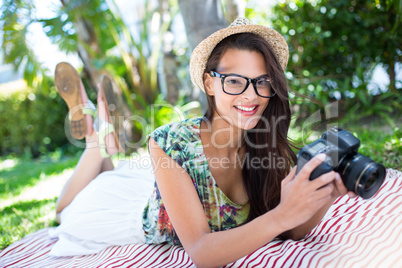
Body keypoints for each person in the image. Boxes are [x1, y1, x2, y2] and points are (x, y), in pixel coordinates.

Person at [51, 18, 356, 267]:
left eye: (262, 82)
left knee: (109, 172)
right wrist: (281, 215)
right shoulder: (169, 142)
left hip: (158, 189)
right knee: (64, 211)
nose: (251, 96)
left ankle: (104, 138)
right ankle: (96, 138)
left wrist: (323, 196)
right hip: (123, 214)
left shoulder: (268, 144)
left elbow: (292, 228)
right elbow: (200, 251)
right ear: (210, 83)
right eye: (234, 81)